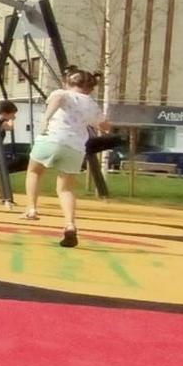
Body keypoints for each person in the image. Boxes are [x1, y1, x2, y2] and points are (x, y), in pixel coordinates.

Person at [22, 66, 106, 248]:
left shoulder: (62, 93)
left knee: (35, 171)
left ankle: (32, 207)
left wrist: (46, 117)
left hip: (51, 139)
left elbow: (58, 98)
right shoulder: (91, 103)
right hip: (75, 148)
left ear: (68, 82)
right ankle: (70, 224)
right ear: (90, 88)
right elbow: (104, 125)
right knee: (66, 188)